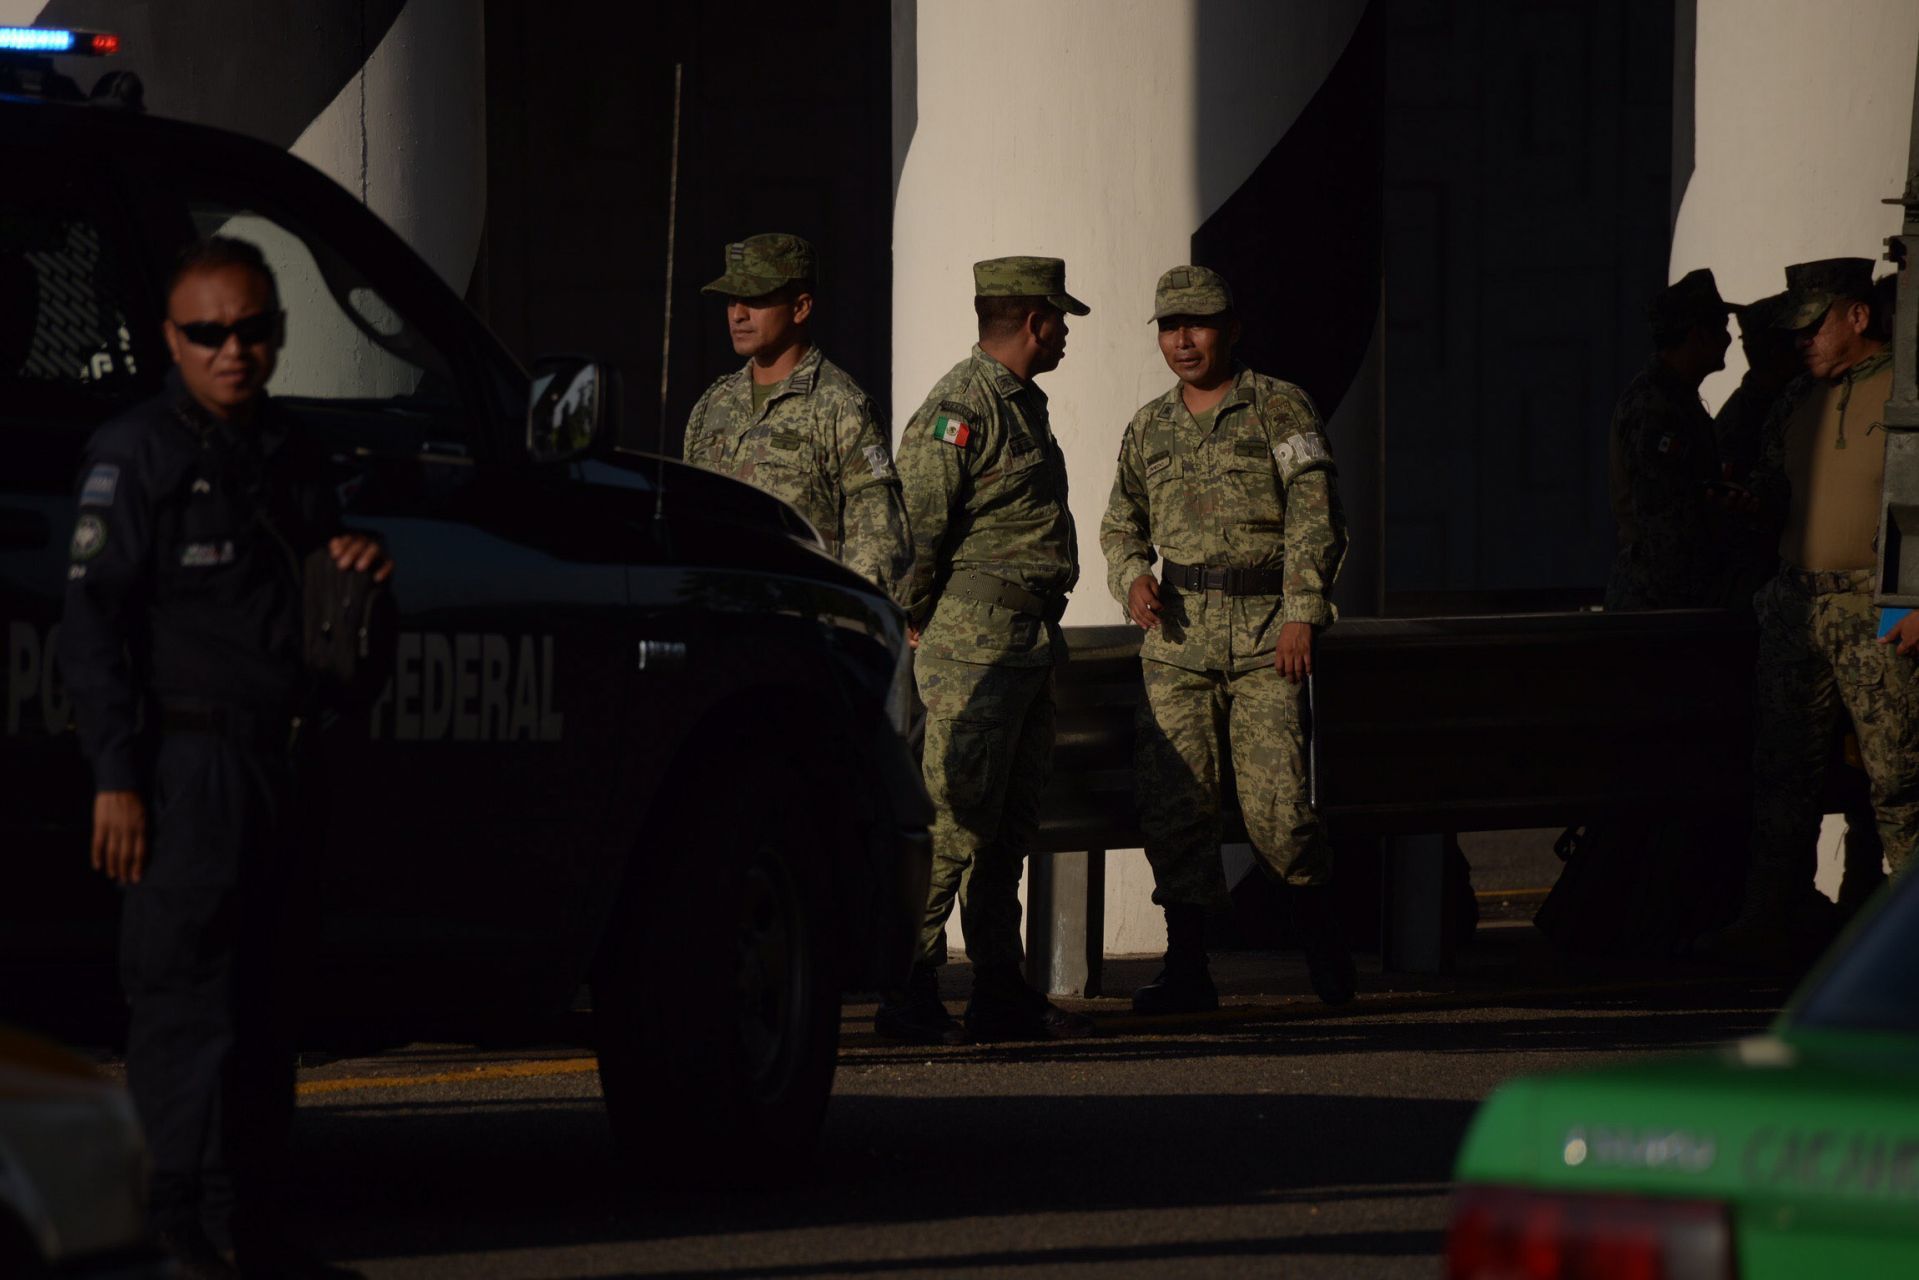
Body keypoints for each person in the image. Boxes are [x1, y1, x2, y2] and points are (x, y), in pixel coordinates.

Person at [59, 237, 388, 1279]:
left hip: (280, 763)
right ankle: (172, 1226)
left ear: (279, 336)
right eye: (208, 333)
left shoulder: (291, 453)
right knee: (182, 1005)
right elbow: (92, 627)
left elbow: (315, 615)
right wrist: (117, 774)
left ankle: (257, 1227)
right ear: (171, 338)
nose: (231, 350)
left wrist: (358, 573)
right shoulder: (137, 453)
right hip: (183, 767)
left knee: (268, 1004)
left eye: (251, 330)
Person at [1098, 265, 1353, 1012]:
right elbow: (1120, 522)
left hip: (1265, 638)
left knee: (1279, 811)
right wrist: (1130, 577)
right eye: (1169, 327)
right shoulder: (1148, 425)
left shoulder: (1278, 407)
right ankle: (1187, 969)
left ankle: (1324, 954)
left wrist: (1304, 607)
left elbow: (1315, 510)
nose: (1182, 340)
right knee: (1176, 808)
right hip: (1176, 640)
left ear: (1230, 328)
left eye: (1198, 324)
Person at [875, 255, 1092, 1043]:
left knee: (1007, 829)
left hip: (1025, 644)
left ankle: (999, 986)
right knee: (954, 820)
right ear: (1034, 321)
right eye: (1060, 319)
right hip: (973, 648)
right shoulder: (961, 405)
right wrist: (911, 617)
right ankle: (910, 986)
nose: (1065, 333)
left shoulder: (1019, 404)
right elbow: (916, 529)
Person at [1717, 256, 1918, 952]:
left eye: (1813, 327)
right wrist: (1752, 505)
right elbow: (1778, 489)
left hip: (1877, 608)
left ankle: (1903, 931)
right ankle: (1771, 918)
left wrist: (1912, 602)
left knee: (1898, 780)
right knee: (1781, 777)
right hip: (1797, 608)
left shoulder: (1905, 397)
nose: (1801, 342)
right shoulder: (1796, 402)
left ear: (1857, 317)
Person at [682, 233, 910, 598]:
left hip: (800, 628)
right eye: (732, 300)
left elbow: (879, 540)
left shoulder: (840, 406)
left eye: (755, 299)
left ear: (800, 307)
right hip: (717, 619)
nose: (738, 314)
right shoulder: (712, 406)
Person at [1602, 268, 1738, 612]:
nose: (1728, 339)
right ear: (1697, 335)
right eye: (1720, 328)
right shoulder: (1654, 407)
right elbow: (1660, 519)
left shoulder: (1677, 399)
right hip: (1658, 605)